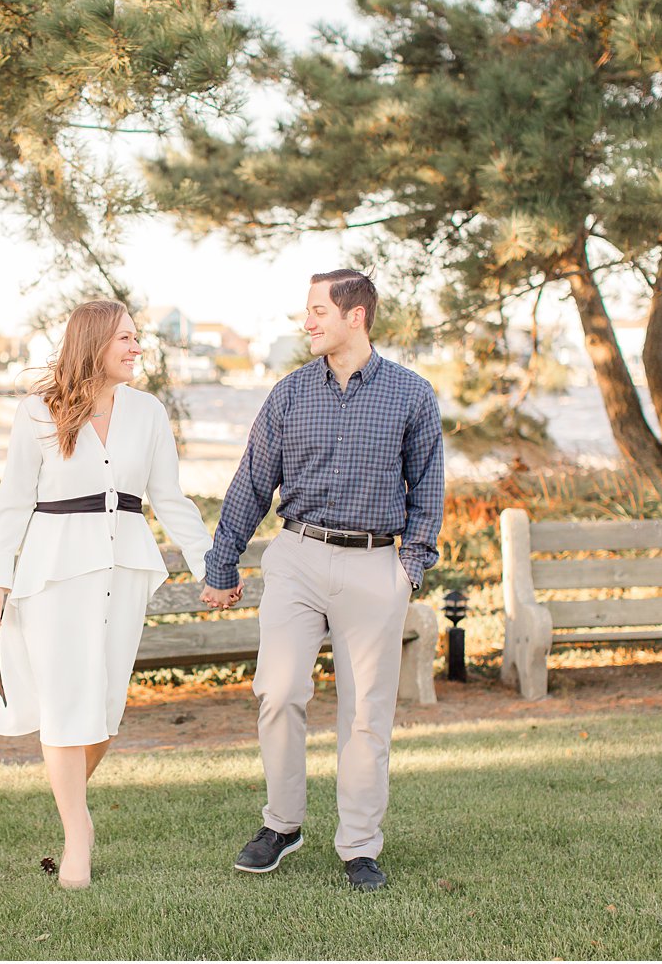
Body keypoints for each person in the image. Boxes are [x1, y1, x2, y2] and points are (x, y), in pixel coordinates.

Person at [200, 269, 445, 892]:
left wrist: (408, 569)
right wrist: (221, 563)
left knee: (366, 715)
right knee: (278, 691)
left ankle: (360, 846)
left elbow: (429, 489)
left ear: (354, 316)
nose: (306, 322)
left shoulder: (412, 395)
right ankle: (281, 824)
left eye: (317, 311)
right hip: (298, 557)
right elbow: (253, 482)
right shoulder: (287, 395)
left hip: (375, 565)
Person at [0, 299, 213, 891]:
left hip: (125, 570)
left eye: (138, 338)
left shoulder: (149, 413)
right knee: (64, 704)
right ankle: (78, 834)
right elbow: (12, 501)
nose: (137, 348)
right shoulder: (39, 412)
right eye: (126, 339)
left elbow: (170, 498)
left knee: (104, 709)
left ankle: (69, 809)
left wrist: (213, 562)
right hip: (55, 573)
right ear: (94, 343)